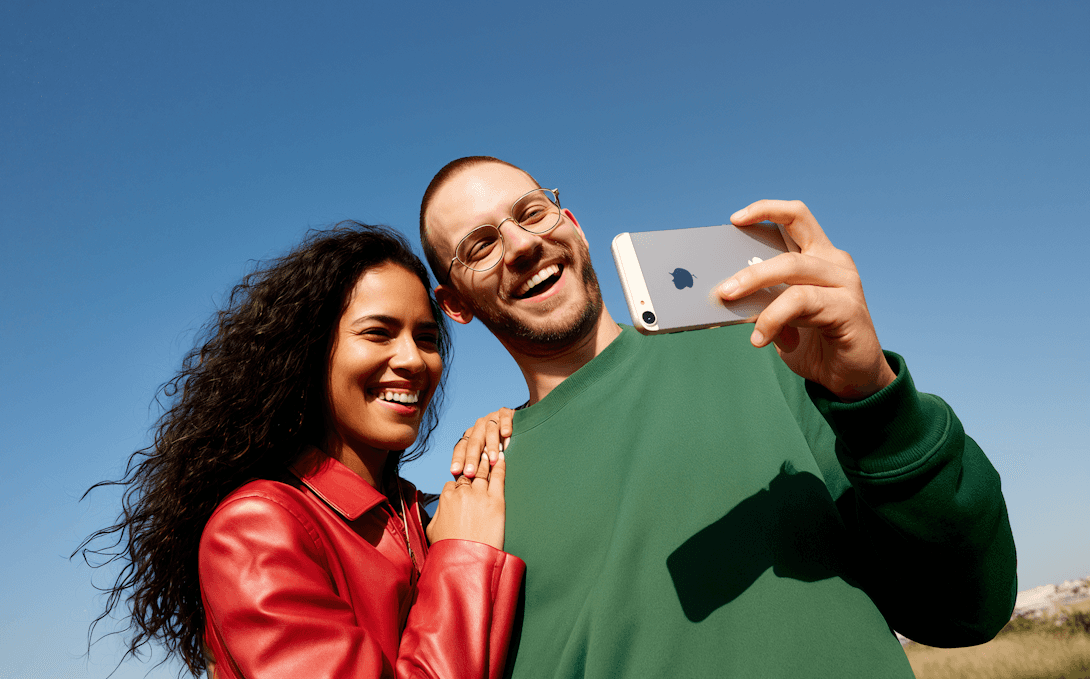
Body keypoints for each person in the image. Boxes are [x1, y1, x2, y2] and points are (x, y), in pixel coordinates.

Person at [420, 157, 1017, 678]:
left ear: (571, 223)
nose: (522, 245)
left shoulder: (770, 351)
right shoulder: (475, 501)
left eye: (531, 214)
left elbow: (966, 608)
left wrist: (872, 397)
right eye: (480, 247)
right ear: (455, 304)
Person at [77, 222, 524, 679]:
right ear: (310, 352)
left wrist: (515, 427)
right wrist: (462, 554)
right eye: (378, 333)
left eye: (426, 339)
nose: (413, 359)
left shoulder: (415, 511)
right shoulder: (256, 528)